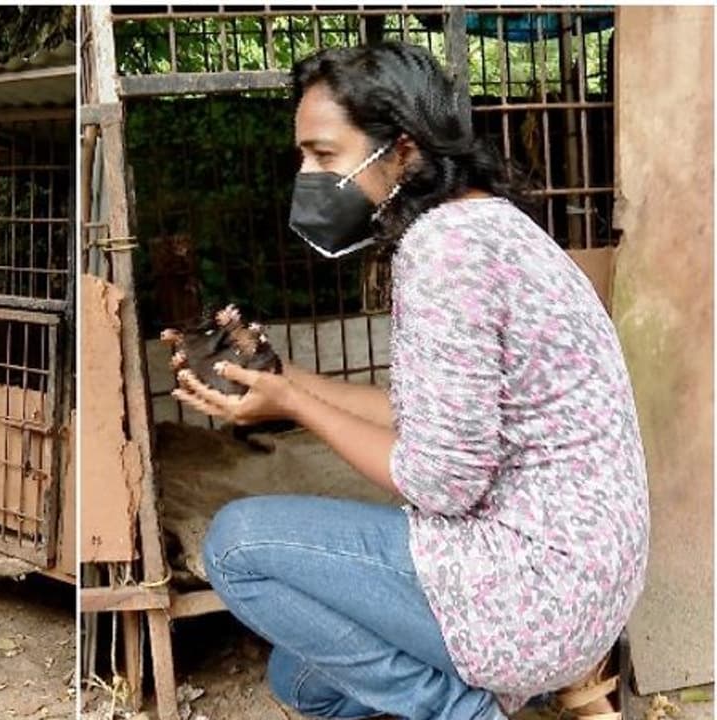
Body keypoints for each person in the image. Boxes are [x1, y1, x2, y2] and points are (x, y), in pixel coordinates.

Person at [174, 43, 647, 720]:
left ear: (402, 150)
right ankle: (506, 682)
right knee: (302, 679)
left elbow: (442, 482)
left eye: (325, 155)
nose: (307, 176)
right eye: (303, 157)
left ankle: (463, 710)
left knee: (237, 546)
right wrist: (282, 381)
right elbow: (425, 415)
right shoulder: (487, 225)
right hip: (585, 586)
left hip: (536, 586)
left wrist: (296, 406)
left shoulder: (444, 250)